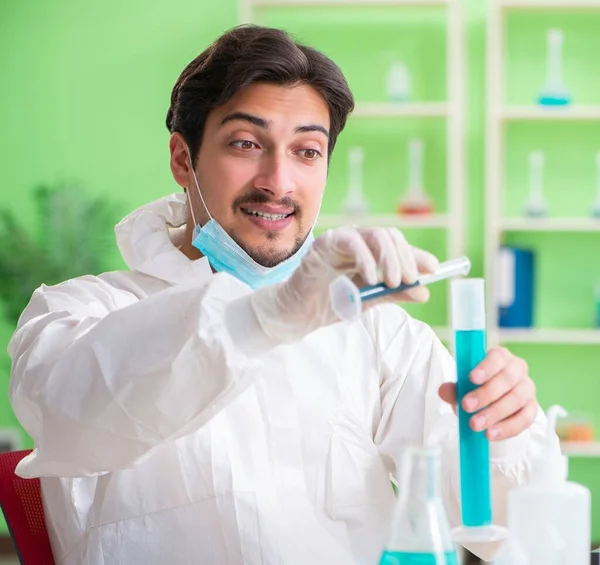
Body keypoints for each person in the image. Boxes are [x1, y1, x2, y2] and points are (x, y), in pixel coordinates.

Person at [8, 25, 559, 565]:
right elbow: (73, 413)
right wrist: (266, 317)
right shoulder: (78, 312)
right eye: (246, 143)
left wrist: (506, 426)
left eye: (307, 151)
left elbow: (508, 533)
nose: (279, 181)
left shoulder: (377, 331)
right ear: (183, 159)